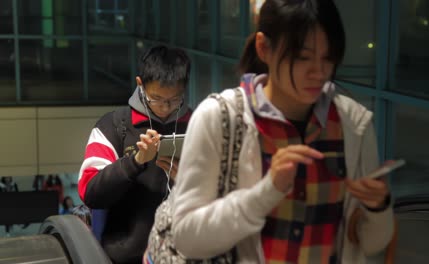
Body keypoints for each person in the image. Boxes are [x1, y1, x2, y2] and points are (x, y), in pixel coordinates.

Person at [171, 0, 394, 263]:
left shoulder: (354, 124)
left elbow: (370, 245)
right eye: (302, 57)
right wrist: (265, 193)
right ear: (264, 47)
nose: (319, 72)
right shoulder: (219, 118)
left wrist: (378, 208)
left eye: (328, 57)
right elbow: (186, 238)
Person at [78, 44, 192, 264]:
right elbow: (90, 192)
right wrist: (136, 161)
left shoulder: (198, 124)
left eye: (174, 99)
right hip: (125, 258)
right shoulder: (114, 126)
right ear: (140, 84)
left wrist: (187, 180)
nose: (166, 108)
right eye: (157, 98)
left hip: (184, 254)